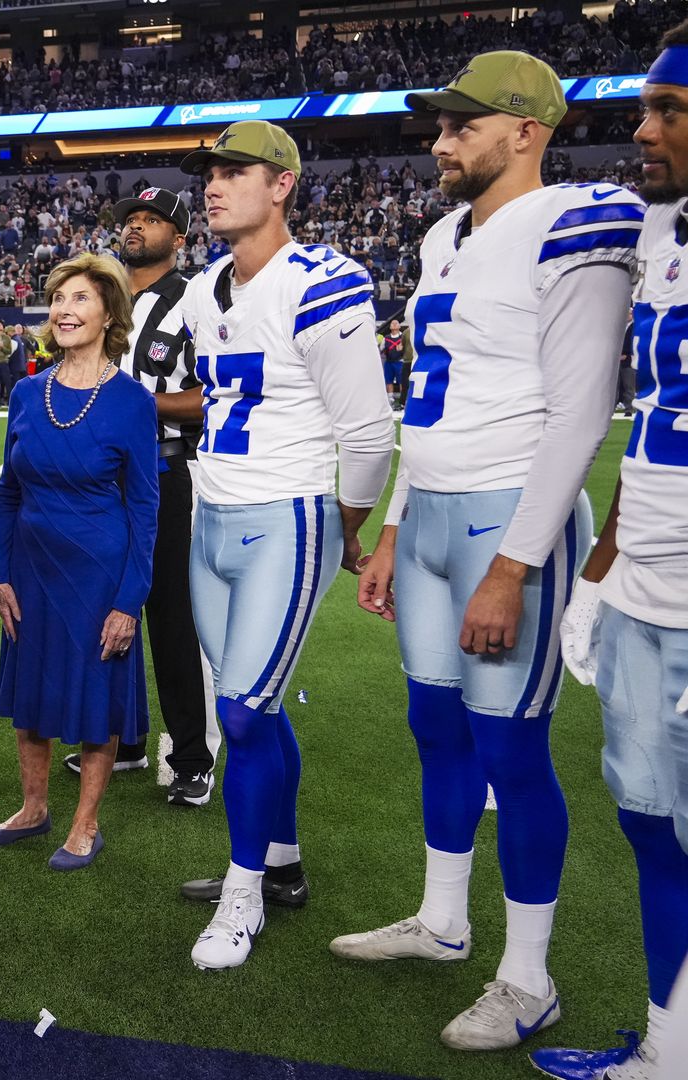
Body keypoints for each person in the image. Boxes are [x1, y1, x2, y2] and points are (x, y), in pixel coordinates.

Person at [338, 52, 635, 1051]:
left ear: (525, 129)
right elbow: (430, 389)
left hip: (511, 516)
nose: (439, 140)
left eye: (461, 124)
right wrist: (390, 531)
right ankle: (445, 920)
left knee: (512, 745)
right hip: (429, 519)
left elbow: (583, 409)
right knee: (436, 725)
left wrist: (513, 564)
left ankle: (528, 977)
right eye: (440, 124)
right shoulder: (440, 236)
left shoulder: (575, 220)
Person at [170, 122, 395, 970]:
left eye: (235, 170)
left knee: (238, 712)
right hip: (213, 517)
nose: (215, 185)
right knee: (251, 709)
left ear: (283, 185)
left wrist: (343, 526)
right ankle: (282, 862)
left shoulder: (323, 280)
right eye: (210, 172)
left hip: (286, 519)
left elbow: (369, 433)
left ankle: (243, 898)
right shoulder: (203, 289)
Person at [534, 34, 688, 1080]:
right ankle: (669, 1050)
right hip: (643, 588)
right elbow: (646, 426)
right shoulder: (663, 234)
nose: (643, 131)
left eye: (670, 108)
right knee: (649, 826)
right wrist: (599, 577)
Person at [0, 254, 158, 870]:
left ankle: (86, 823)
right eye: (58, 298)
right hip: (30, 568)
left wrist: (129, 600)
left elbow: (144, 508)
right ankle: (33, 809)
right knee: (31, 689)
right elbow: (9, 491)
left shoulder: (133, 401)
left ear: (108, 313)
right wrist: (0, 571)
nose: (64, 310)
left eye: (79, 298)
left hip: (98, 572)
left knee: (95, 696)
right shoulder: (28, 392)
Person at [64, 187, 219, 807]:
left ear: (179, 238)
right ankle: (122, 741)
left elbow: (215, 398)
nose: (137, 227)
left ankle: (191, 757)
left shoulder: (198, 301)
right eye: (131, 218)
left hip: (165, 473)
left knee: (172, 619)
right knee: (105, 609)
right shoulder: (105, 299)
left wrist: (134, 406)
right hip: (102, 481)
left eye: (153, 220)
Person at [381, 317, 407, 406]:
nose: (395, 324)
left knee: (401, 381)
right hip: (389, 363)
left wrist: (403, 349)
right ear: (390, 327)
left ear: (399, 326)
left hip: (400, 362)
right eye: (393, 323)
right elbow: (381, 349)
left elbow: (408, 349)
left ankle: (402, 400)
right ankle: (390, 399)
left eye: (396, 323)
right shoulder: (386, 338)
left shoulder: (403, 337)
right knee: (388, 381)